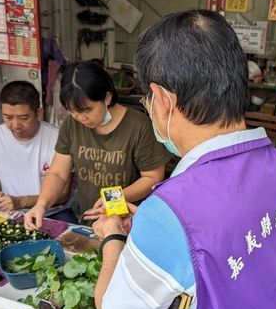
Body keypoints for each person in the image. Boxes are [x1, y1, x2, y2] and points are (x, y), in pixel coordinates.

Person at [92, 10, 276, 309]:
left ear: (162, 100)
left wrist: (113, 240)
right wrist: (153, 234)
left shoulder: (172, 210)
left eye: (146, 97)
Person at [24, 60, 168, 228]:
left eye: (86, 110)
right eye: (72, 111)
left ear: (106, 97)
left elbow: (153, 178)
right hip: (87, 220)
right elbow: (57, 173)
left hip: (126, 223)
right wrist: (41, 204)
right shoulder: (72, 124)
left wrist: (112, 198)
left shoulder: (139, 126)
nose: (80, 117)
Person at [0, 81, 67, 212]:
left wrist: (22, 202)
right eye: (8, 117)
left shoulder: (58, 138)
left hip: (52, 212)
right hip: (11, 212)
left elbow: (63, 195)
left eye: (23, 118)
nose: (15, 125)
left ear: (39, 113)